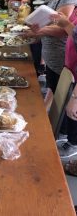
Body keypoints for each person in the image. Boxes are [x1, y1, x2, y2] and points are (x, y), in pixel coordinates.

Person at [28, 0, 77, 105]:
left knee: (63, 106)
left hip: (62, 60)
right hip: (53, 59)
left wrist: (38, 31)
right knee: (53, 95)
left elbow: (63, 28)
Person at [50, 11, 77, 158]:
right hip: (72, 67)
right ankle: (70, 140)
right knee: (70, 111)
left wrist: (75, 97)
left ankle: (73, 145)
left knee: (74, 112)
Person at [22, 0, 54, 76]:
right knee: (35, 44)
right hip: (35, 16)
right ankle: (37, 69)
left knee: (47, 44)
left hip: (50, 17)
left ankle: (44, 69)